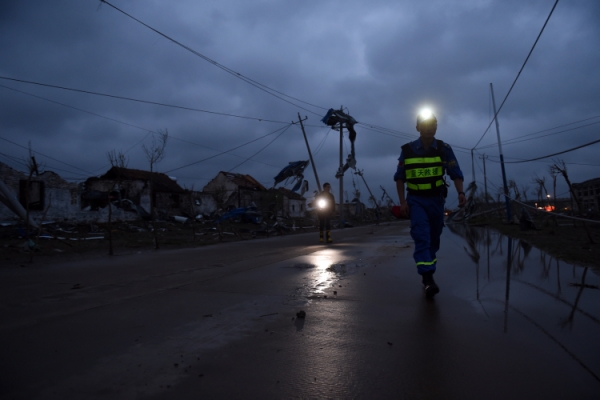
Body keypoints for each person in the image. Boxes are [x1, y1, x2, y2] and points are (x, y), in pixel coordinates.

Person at [394, 109, 466, 298]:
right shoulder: (407, 150)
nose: (429, 129)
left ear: (436, 127)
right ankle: (427, 279)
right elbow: (399, 178)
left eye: (432, 125)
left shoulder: (444, 148)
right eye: (425, 125)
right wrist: (403, 202)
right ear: (417, 128)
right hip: (416, 200)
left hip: (436, 200)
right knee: (422, 235)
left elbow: (455, 172)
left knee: (434, 237)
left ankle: (429, 268)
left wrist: (461, 193)